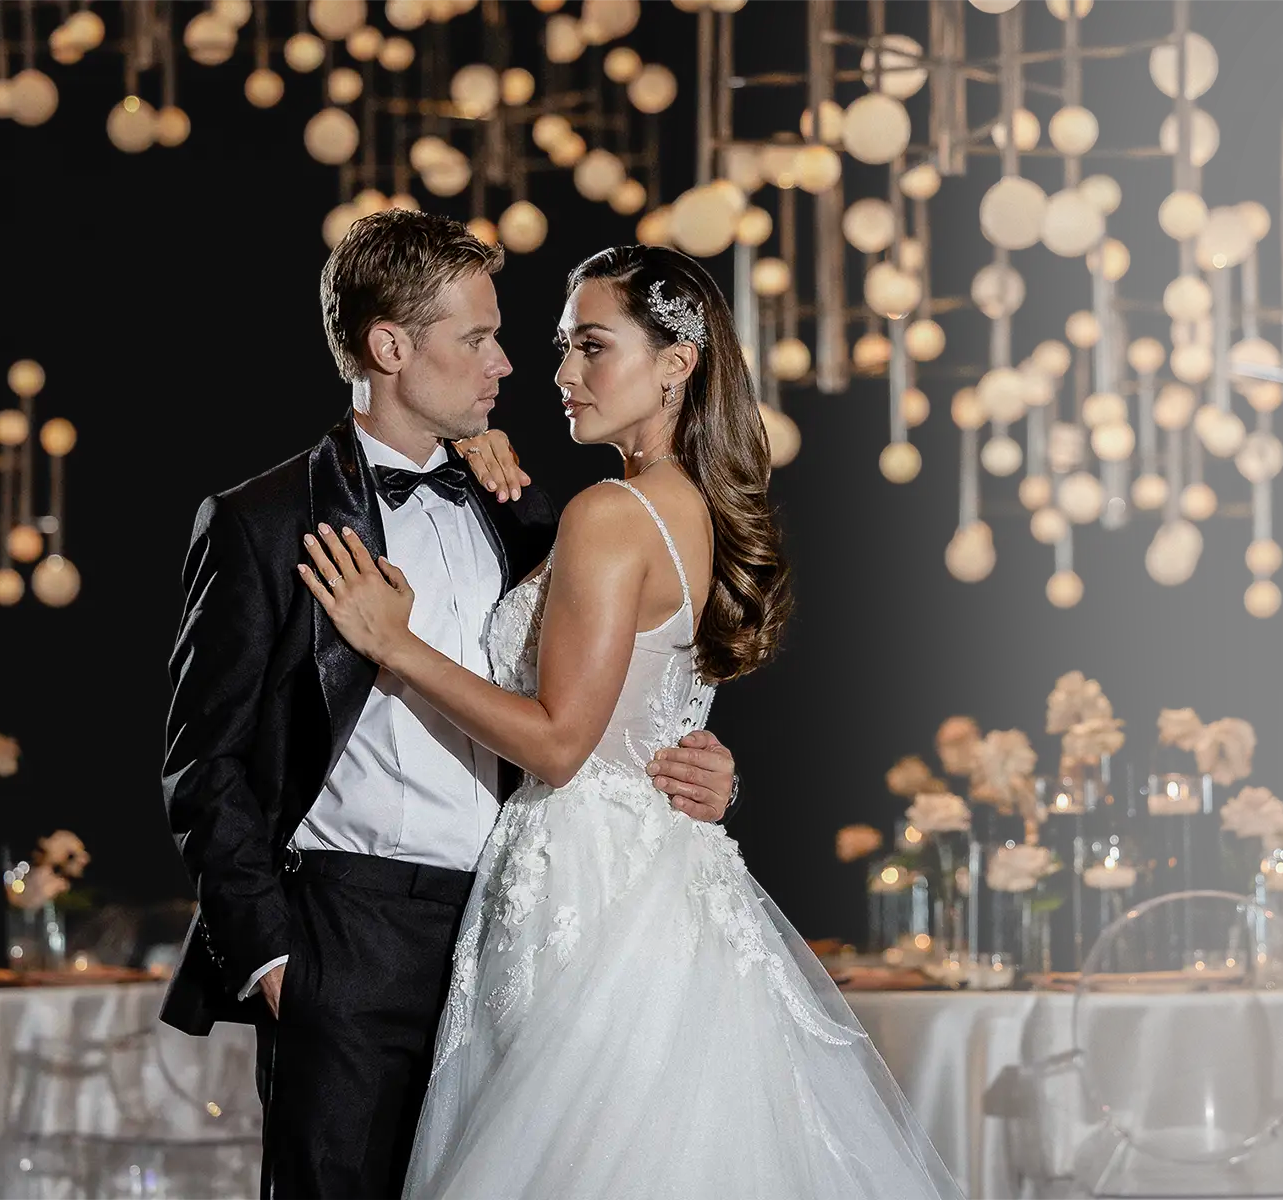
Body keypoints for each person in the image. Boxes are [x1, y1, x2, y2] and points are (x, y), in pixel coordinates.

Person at [298, 244, 961, 1200]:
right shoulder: (682, 506)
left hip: (586, 879)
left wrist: (397, 646)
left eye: (591, 347)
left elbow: (561, 745)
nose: (560, 374)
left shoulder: (612, 513)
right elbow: (644, 712)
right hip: (653, 871)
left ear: (677, 361)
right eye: (562, 347)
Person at [161, 210, 743, 1200]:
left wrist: (703, 764)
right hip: (348, 934)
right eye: (476, 337)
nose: (506, 364)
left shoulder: (528, 510)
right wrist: (273, 962)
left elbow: (608, 689)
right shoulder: (262, 520)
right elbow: (200, 765)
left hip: (525, 926)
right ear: (390, 346)